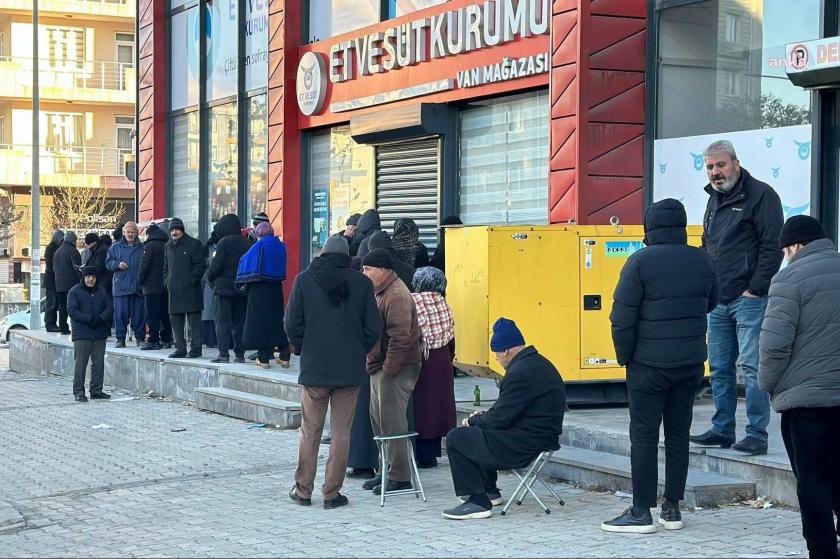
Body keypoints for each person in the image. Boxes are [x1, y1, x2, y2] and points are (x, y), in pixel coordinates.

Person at [601, 199, 719, 534]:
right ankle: (672, 508)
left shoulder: (639, 262)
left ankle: (641, 511)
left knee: (644, 436)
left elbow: (621, 318)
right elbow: (712, 301)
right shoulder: (703, 259)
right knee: (678, 435)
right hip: (690, 364)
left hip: (648, 366)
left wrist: (625, 357)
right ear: (682, 225)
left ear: (649, 226)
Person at [690, 140, 784, 456]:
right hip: (718, 300)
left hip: (749, 299)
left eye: (720, 165)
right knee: (719, 368)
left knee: (753, 367)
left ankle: (757, 433)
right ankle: (722, 429)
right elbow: (707, 245)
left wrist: (756, 288)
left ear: (736, 162)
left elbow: (772, 246)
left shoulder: (762, 195)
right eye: (710, 167)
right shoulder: (714, 199)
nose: (715, 173)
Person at [758, 216, 840, 559]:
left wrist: (767, 383)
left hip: (807, 405)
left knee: (814, 486)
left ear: (794, 246)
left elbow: (775, 345)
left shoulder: (788, 280)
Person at [285, 234, 383, 508]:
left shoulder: (304, 280)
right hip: (349, 371)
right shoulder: (362, 283)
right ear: (348, 257)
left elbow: (291, 323)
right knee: (342, 433)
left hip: (315, 368)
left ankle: (303, 491)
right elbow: (374, 326)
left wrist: (304, 347)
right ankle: (331, 494)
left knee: (310, 431)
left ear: (324, 253)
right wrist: (358, 348)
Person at [442, 318, 566, 520]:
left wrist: (474, 420)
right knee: (477, 433)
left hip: (527, 442)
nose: (497, 360)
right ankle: (489, 491)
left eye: (496, 354)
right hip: (538, 436)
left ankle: (477, 501)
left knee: (457, 438)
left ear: (505, 350)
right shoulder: (536, 364)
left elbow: (500, 418)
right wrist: (481, 419)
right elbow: (507, 411)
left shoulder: (521, 372)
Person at [360, 248, 422, 496]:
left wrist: (388, 370)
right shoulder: (380, 291)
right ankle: (385, 470)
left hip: (397, 368)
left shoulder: (396, 294)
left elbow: (400, 337)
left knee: (393, 423)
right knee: (379, 422)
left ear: (383, 270)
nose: (364, 273)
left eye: (368, 269)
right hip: (380, 366)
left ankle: (400, 477)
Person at [410, 267, 456, 468]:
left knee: (421, 407)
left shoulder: (413, 301)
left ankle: (419, 453)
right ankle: (431, 454)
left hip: (421, 358)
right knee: (437, 405)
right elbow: (452, 334)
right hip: (442, 358)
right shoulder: (443, 303)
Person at [237, 222, 290, 368]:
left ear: (259, 233)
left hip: (259, 288)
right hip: (276, 287)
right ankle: (285, 355)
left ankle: (263, 358)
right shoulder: (281, 246)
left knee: (260, 323)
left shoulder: (260, 245)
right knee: (276, 321)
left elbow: (245, 260)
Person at [207, 214, 251, 364]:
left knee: (222, 321)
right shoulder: (247, 243)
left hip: (223, 289)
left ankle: (223, 354)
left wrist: (209, 277)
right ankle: (240, 354)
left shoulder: (223, 243)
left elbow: (215, 267)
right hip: (241, 288)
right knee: (239, 322)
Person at [67, 266, 114, 402]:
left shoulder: (101, 291)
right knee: (80, 364)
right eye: (88, 276)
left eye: (93, 276)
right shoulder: (75, 292)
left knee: (98, 363)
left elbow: (109, 307)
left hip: (99, 332)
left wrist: (100, 318)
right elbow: (72, 311)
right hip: (82, 333)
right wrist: (89, 318)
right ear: (83, 277)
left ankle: (96, 390)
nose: (90, 279)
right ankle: (78, 392)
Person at [164, 217, 206, 359]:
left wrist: (191, 279)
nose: (174, 232)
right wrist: (167, 281)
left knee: (194, 321)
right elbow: (165, 267)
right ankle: (180, 348)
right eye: (172, 230)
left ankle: (196, 349)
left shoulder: (194, 244)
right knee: (176, 320)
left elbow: (201, 265)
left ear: (182, 230)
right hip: (174, 290)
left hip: (191, 290)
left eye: (176, 229)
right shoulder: (168, 246)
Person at [106, 221, 145, 348]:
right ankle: (120, 339)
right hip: (120, 287)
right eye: (128, 232)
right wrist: (117, 265)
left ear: (136, 233)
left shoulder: (142, 248)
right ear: (124, 232)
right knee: (120, 315)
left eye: (133, 232)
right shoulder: (115, 247)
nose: (130, 234)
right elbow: (108, 263)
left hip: (137, 287)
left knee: (138, 315)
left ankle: (140, 338)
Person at [139, 223, 171, 351]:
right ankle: (166, 339)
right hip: (165, 286)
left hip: (151, 287)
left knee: (152, 315)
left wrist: (140, 281)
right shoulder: (167, 245)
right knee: (165, 314)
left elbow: (144, 266)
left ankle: (153, 340)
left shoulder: (149, 246)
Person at [53, 231, 81, 335]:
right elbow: (77, 268)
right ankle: (76, 328)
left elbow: (54, 268)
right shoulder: (73, 251)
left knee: (62, 307)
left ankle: (63, 327)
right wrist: (80, 280)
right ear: (73, 240)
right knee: (73, 306)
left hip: (59, 284)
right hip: (71, 284)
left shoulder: (57, 251)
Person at [43, 230, 65, 332]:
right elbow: (52, 266)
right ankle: (50, 324)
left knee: (55, 303)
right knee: (51, 303)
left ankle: (52, 324)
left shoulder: (54, 248)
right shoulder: (51, 249)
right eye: (61, 240)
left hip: (54, 280)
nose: (62, 242)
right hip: (51, 281)